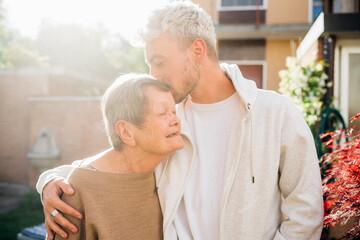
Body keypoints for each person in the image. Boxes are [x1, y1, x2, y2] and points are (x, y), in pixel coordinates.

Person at [37, 1, 324, 239]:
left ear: (197, 51)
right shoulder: (166, 123)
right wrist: (50, 179)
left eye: (159, 62)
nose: (153, 74)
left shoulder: (277, 113)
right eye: (149, 64)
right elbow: (115, 161)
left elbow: (306, 211)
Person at [49, 73, 184, 239]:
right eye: (163, 113)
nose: (176, 120)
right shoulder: (80, 189)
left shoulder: (171, 171)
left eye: (174, 111)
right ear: (126, 132)